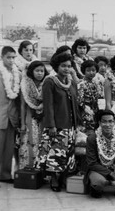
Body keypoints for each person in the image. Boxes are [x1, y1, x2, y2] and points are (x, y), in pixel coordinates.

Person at [34, 52, 80, 191]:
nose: (66, 69)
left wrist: (77, 124)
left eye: (69, 66)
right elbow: (48, 106)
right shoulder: (50, 81)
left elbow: (75, 103)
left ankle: (63, 177)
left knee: (67, 153)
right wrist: (51, 126)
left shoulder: (71, 82)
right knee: (54, 153)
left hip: (70, 124)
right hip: (56, 125)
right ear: (56, 66)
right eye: (63, 66)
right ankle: (53, 179)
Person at [0, 46, 21, 187]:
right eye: (8, 57)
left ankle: (5, 175)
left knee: (9, 148)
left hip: (12, 117)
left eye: (13, 57)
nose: (11, 60)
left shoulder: (16, 72)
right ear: (2, 57)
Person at [19, 60, 46, 169]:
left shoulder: (47, 83)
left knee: (42, 143)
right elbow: (22, 105)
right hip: (30, 117)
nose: (40, 73)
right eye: (37, 71)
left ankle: (41, 171)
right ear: (31, 71)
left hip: (44, 118)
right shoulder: (26, 85)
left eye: (42, 71)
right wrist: (22, 124)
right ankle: (29, 168)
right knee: (30, 141)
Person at [77, 60, 103, 134]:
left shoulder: (98, 84)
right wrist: (87, 110)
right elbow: (80, 101)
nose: (91, 72)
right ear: (83, 71)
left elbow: (101, 97)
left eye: (93, 70)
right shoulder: (81, 84)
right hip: (85, 112)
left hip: (97, 112)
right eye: (88, 70)